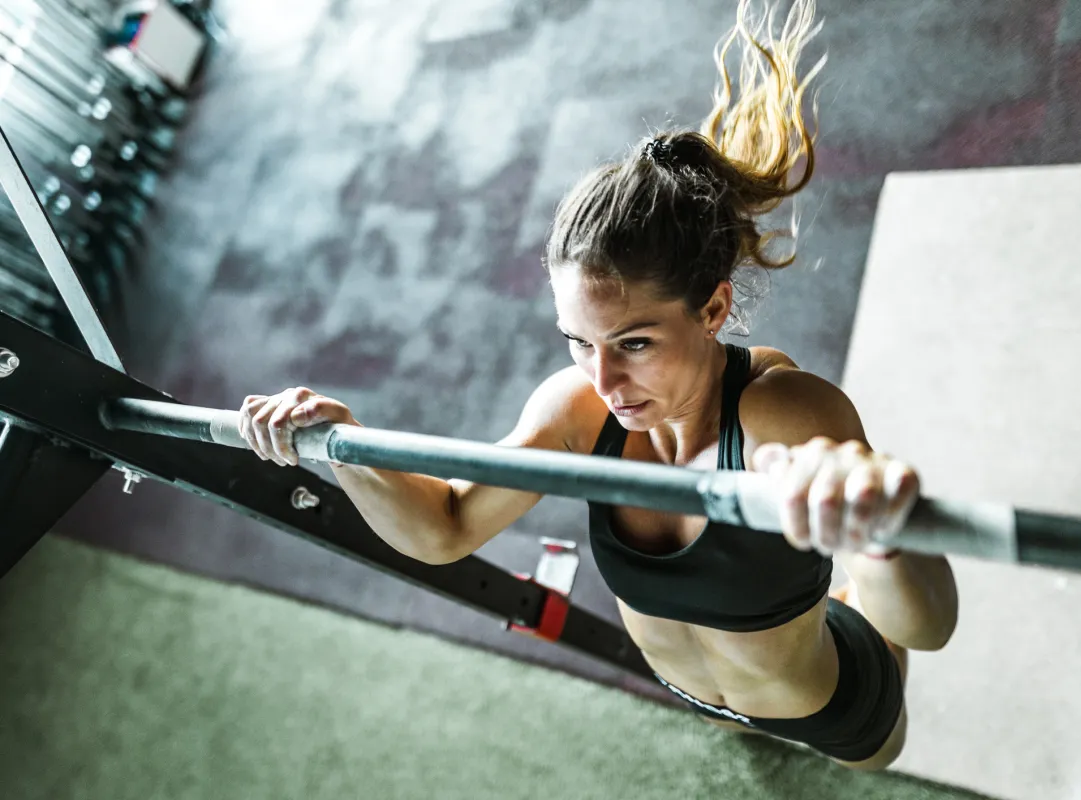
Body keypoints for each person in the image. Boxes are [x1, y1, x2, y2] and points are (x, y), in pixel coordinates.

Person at [237, 0, 958, 771]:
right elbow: (443, 529)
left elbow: (929, 626)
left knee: (875, 740)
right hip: (702, 695)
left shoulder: (786, 413)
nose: (605, 379)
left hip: (835, 705)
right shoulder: (577, 407)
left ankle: (840, 600)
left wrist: (879, 540)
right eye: (578, 342)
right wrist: (342, 446)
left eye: (635, 343)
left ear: (713, 308)